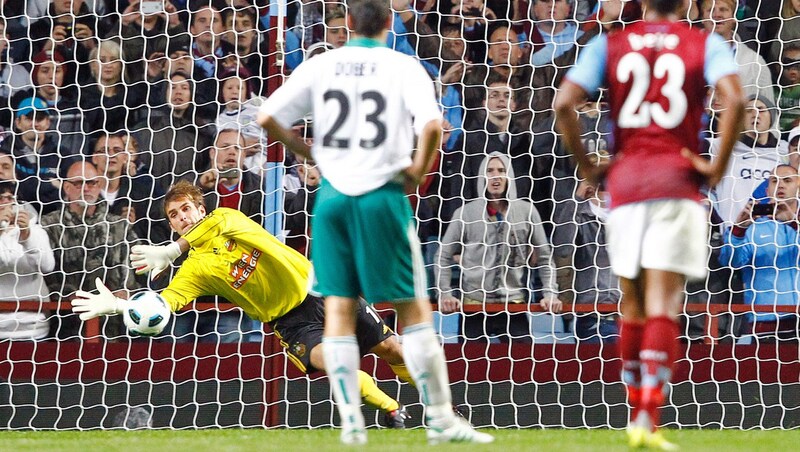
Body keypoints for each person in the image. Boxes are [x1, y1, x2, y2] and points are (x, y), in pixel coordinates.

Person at [257, 0, 493, 445]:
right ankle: (441, 418)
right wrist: (417, 173)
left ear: (347, 24)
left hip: (331, 198)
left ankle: (351, 423)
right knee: (414, 310)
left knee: (339, 311)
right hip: (381, 194)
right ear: (389, 23)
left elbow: (268, 117)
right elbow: (433, 125)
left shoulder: (322, 64)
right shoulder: (404, 67)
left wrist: (313, 155)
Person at [554, 0, 745, 448]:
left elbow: (563, 103)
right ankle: (647, 419)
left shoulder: (609, 43)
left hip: (626, 182)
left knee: (631, 302)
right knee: (665, 300)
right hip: (677, 179)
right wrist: (715, 168)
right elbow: (735, 98)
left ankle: (632, 409)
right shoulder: (706, 42)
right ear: (686, 5)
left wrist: (588, 167)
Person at [71, 180, 416, 429]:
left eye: (186, 209)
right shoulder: (195, 269)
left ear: (200, 209)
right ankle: (392, 411)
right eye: (174, 215)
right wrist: (120, 307)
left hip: (324, 289)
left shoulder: (227, 219)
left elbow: (219, 222)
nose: (182, 218)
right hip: (292, 323)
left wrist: (173, 249)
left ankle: (444, 407)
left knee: (394, 351)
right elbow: (167, 303)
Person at [436, 153, 561, 342]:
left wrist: (550, 294)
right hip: (474, 306)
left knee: (523, 364)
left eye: (501, 171)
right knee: (468, 366)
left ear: (509, 175)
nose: (496, 176)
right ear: (481, 177)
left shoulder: (526, 211)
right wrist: (445, 293)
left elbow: (544, 257)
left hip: (514, 305)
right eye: (490, 171)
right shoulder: (465, 213)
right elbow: (443, 256)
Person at [41, 160, 138, 339]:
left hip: (115, 326)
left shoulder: (119, 226)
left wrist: (127, 290)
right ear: (67, 188)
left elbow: (138, 271)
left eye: (91, 183)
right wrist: (66, 294)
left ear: (99, 185)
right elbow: (42, 276)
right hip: (64, 323)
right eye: (78, 183)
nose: (85, 188)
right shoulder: (48, 226)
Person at [719, 165, 800, 341]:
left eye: (787, 180)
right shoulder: (752, 227)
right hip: (765, 324)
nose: (780, 186)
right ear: (767, 189)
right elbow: (730, 262)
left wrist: (795, 223)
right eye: (774, 181)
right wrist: (739, 230)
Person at [0, 178, 55, 340]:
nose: (4, 203)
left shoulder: (36, 231)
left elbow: (47, 266)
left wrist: (26, 236)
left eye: (9, 198)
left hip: (34, 327)